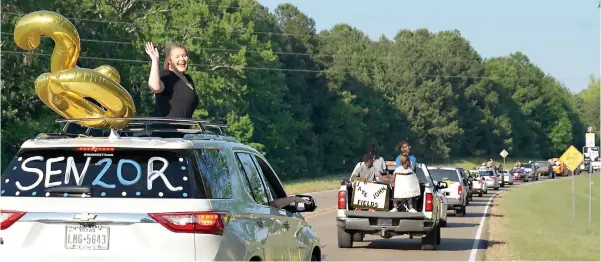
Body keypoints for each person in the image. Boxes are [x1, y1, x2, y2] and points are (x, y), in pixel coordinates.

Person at [145, 42, 199, 119]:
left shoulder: (188, 79)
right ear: (169, 61)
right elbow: (155, 87)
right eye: (177, 57)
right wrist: (155, 60)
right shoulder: (166, 74)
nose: (182, 59)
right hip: (167, 129)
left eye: (184, 56)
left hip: (184, 129)